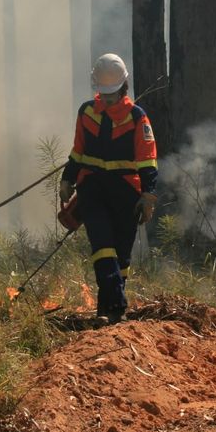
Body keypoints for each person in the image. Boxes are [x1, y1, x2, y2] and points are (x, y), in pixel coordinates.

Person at [60, 53, 158, 324]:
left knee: (122, 253)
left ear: (123, 88)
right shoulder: (87, 112)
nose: (108, 98)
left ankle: (108, 312)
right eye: (104, 93)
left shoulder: (138, 117)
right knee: (102, 245)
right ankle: (116, 307)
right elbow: (78, 152)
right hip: (92, 188)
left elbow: (148, 160)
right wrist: (67, 179)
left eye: (112, 93)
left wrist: (148, 196)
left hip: (127, 191)